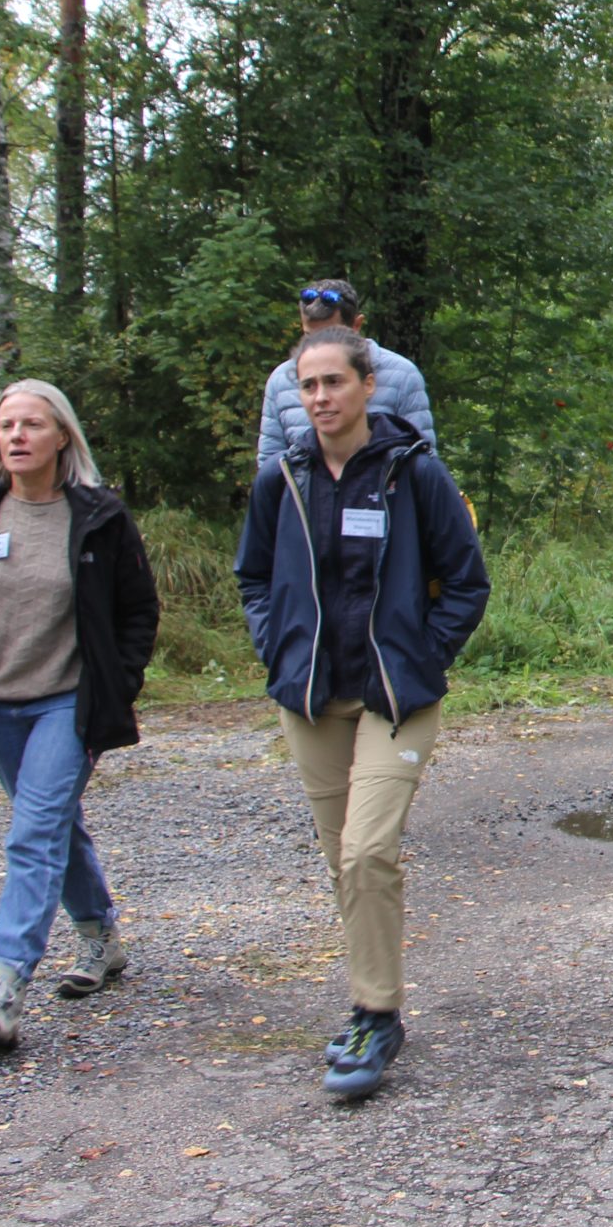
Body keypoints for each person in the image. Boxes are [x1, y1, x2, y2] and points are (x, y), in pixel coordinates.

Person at [235, 325, 490, 1100]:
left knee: (365, 852)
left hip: (395, 696)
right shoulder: (284, 478)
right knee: (343, 863)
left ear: (367, 386)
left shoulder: (414, 474)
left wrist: (422, 655)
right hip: (310, 697)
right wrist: (275, 646)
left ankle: (374, 1015)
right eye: (308, 386)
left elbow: (467, 582)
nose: (320, 398)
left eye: (333, 383)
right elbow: (252, 578)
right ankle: (374, 1001)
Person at [0, 380, 161, 1050]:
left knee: (32, 831)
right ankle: (101, 936)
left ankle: (4, 988)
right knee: (52, 826)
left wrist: (117, 684)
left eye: (31, 425)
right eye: (6, 425)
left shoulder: (98, 514)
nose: (16, 436)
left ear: (61, 436)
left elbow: (139, 610)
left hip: (70, 703)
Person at [255, 280, 434, 472]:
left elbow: (423, 460)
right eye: (309, 337)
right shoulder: (281, 380)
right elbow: (270, 464)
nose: (318, 348)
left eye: (331, 337)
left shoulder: (402, 376)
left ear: (356, 325)